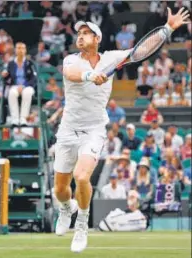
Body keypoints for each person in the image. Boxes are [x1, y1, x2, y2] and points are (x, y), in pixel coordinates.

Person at [53, 8, 189, 253]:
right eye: (79, 33)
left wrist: (167, 29)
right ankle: (66, 208)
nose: (81, 36)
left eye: (87, 33)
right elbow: (71, 74)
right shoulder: (71, 60)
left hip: (94, 128)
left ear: (97, 39)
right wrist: (89, 75)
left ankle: (81, 224)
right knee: (60, 190)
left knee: (81, 177)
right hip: (68, 129)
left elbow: (142, 49)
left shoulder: (113, 58)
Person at [2, 42, 37, 126]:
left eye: (22, 48)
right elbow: (8, 78)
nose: (20, 50)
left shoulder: (30, 63)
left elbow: (33, 78)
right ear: (15, 50)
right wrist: (5, 75)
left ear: (25, 50)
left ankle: (23, 119)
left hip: (27, 86)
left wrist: (24, 85)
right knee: (12, 93)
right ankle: (15, 119)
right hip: (15, 86)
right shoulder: (11, 63)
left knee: (27, 93)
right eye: (18, 48)